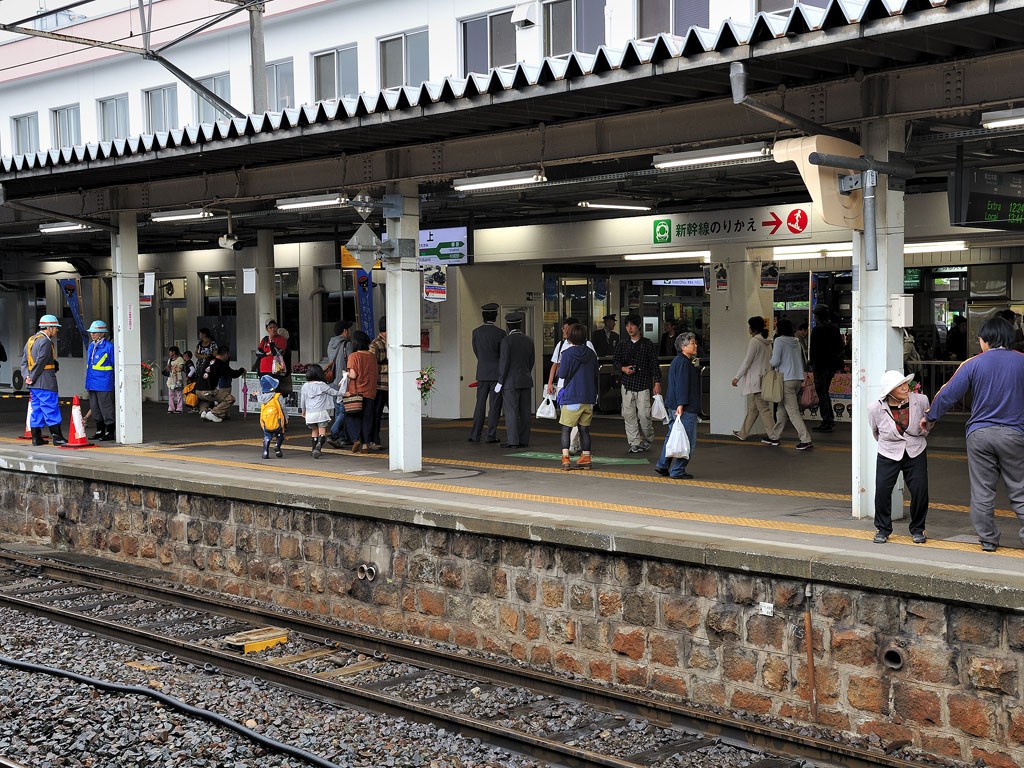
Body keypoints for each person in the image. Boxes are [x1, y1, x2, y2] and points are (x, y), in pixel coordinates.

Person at [922, 317, 1024, 552]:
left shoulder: (973, 363)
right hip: (1014, 434)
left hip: (979, 435)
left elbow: (948, 393)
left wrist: (930, 416)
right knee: (1020, 489)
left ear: (986, 340)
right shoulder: (1021, 361)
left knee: (982, 491)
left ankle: (988, 539)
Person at [868, 369, 929, 544]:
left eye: (905, 384)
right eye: (899, 385)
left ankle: (918, 529)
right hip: (888, 451)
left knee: (920, 490)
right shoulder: (875, 408)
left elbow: (927, 425)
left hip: (915, 450)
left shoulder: (921, 400)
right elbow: (875, 431)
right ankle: (882, 529)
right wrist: (890, 443)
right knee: (882, 490)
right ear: (889, 391)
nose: (905, 387)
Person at [613, 313, 662, 453]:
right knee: (629, 415)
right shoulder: (623, 344)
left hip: (643, 384)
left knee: (644, 415)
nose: (629, 328)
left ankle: (648, 438)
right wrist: (623, 369)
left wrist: (657, 382)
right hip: (627, 384)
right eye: (627, 325)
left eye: (632, 325)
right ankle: (634, 442)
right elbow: (615, 362)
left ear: (639, 326)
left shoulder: (647, 344)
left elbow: (654, 364)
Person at [655, 332, 700, 479]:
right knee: (687, 441)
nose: (695, 345)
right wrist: (681, 404)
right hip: (684, 408)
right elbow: (682, 385)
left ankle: (663, 464)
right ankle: (678, 470)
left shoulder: (679, 361)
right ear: (683, 347)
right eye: (692, 343)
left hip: (675, 406)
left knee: (673, 437)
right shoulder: (683, 363)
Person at [763, 318, 813, 450]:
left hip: (786, 380)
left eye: (776, 327)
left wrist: (769, 362)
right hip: (797, 379)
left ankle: (805, 439)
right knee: (781, 409)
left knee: (793, 412)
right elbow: (803, 360)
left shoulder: (779, 341)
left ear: (779, 329)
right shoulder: (796, 341)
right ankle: (774, 436)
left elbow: (775, 361)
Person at [556, 323, 598, 470]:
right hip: (588, 398)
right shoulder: (591, 354)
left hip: (572, 397)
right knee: (584, 430)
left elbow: (562, 374)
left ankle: (566, 459)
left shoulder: (567, 354)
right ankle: (586, 458)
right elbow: (595, 374)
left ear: (570, 337)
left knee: (566, 429)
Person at [21, 315, 67, 446]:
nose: (57, 330)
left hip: (34, 385)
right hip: (45, 383)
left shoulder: (31, 340)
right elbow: (41, 362)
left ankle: (36, 438)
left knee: (37, 410)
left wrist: (27, 377)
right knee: (51, 408)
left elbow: (24, 362)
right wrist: (32, 377)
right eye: (55, 328)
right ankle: (57, 438)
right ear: (49, 327)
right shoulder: (45, 342)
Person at [731, 316, 775, 441]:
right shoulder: (767, 342)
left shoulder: (754, 342)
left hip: (756, 381)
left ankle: (773, 436)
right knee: (753, 409)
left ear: (752, 328)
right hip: (765, 379)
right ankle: (743, 433)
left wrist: (737, 377)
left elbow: (747, 362)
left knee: (764, 410)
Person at [496, 311, 534, 449]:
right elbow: (531, 361)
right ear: (520, 324)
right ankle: (524, 440)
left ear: (508, 326)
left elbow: (504, 363)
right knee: (525, 412)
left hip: (510, 382)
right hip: (526, 380)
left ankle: (513, 441)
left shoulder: (506, 341)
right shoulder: (529, 340)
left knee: (511, 412)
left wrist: (500, 382)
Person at [469, 303, 505, 444]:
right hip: (496, 375)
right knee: (494, 406)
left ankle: (475, 435)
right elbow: (503, 354)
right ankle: (490, 435)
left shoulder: (476, 332)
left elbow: (476, 351)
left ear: (483, 316)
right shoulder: (500, 333)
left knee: (480, 405)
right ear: (495, 316)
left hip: (482, 373)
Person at [809, 307, 844, 433]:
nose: (814, 318)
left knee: (821, 392)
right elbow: (840, 347)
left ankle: (827, 420)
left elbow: (813, 349)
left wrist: (812, 363)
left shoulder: (817, 330)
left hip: (820, 365)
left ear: (818, 317)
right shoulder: (834, 329)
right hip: (832, 365)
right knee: (825, 391)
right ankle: (829, 418)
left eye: (815, 315)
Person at [345, 330, 379, 454]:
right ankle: (365, 445)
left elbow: (353, 375)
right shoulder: (372, 357)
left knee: (352, 416)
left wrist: (345, 374)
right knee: (367, 419)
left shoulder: (354, 356)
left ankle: (356, 439)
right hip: (370, 392)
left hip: (356, 393)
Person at [195, 346, 246, 422]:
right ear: (225, 355)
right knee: (230, 399)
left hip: (198, 390)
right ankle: (214, 413)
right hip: (209, 391)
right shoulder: (221, 364)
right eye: (228, 356)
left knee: (205, 399)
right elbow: (233, 374)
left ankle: (204, 412)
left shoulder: (209, 359)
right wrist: (242, 370)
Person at [299, 363, 340, 459]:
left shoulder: (305, 386)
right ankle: (319, 446)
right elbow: (333, 392)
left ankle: (313, 449)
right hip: (321, 413)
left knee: (314, 431)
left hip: (310, 414)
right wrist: (343, 394)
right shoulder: (322, 385)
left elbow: (303, 400)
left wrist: (303, 410)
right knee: (322, 432)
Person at [84, 320, 115, 441]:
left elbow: (114, 365)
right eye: (91, 332)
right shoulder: (91, 346)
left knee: (106, 408)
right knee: (95, 408)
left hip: (104, 383)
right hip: (92, 382)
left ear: (102, 333)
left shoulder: (109, 347)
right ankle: (100, 430)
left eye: (94, 332)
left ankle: (110, 432)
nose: (92, 334)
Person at [368, 317, 388, 450]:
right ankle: (374, 439)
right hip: (380, 385)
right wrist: (389, 367)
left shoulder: (393, 342)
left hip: (392, 385)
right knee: (376, 414)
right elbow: (371, 365)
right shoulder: (375, 344)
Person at [258, 374, 287, 460]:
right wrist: (286, 417)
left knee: (267, 436)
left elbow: (260, 402)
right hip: (277, 421)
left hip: (266, 422)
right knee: (280, 435)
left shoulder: (262, 398)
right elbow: (283, 407)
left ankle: (265, 452)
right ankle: (277, 446)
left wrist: (258, 394)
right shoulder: (277, 396)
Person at [325, 320, 352, 384]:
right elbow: (351, 364)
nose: (350, 332)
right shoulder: (347, 345)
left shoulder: (330, 344)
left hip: (331, 381)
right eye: (349, 330)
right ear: (345, 331)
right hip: (343, 383)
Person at [164, 346, 185, 414]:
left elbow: (180, 368)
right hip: (171, 378)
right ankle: (171, 408)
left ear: (174, 352)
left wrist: (172, 368)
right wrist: (169, 368)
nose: (169, 353)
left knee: (179, 394)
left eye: (170, 352)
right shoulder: (169, 360)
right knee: (171, 394)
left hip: (178, 378)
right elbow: (168, 369)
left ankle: (179, 408)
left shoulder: (180, 359)